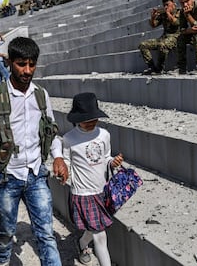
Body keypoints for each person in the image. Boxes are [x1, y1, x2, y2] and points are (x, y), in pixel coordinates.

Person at [0, 36, 69, 266]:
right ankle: (2, 262)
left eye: (32, 64)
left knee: (46, 233)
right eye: (21, 64)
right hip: (6, 177)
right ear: (10, 63)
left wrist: (58, 156)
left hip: (36, 173)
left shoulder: (41, 94)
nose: (27, 71)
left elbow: (50, 129)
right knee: (6, 231)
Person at [62, 92, 123, 266]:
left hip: (102, 191)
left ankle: (81, 244)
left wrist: (114, 162)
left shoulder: (104, 135)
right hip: (83, 194)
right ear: (77, 118)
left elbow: (106, 158)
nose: (91, 122)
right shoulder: (69, 139)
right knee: (100, 235)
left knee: (95, 228)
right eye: (86, 119)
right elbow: (66, 162)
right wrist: (62, 171)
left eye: (94, 119)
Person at [138, 0, 180, 75]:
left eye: (167, 4)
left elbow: (176, 23)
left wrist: (168, 13)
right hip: (164, 37)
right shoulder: (163, 14)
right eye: (164, 5)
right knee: (143, 45)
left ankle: (159, 68)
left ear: (173, 3)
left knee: (162, 45)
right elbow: (154, 25)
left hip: (175, 37)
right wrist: (153, 17)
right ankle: (152, 67)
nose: (166, 7)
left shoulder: (178, 12)